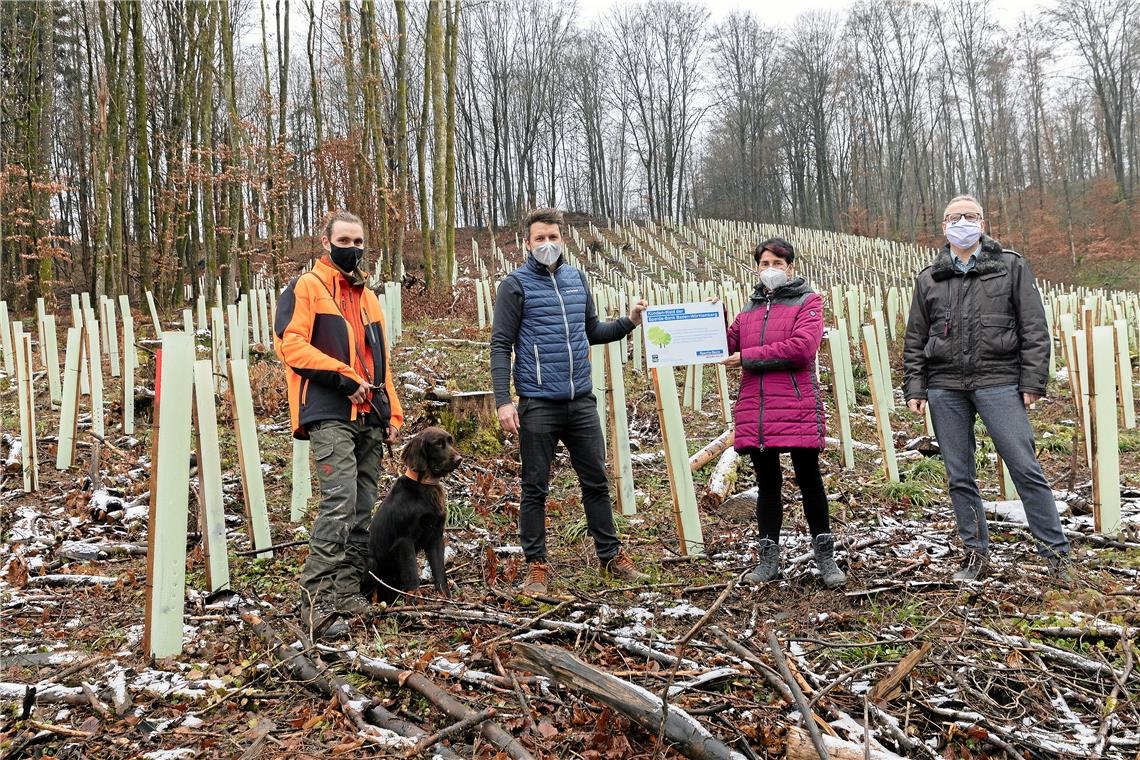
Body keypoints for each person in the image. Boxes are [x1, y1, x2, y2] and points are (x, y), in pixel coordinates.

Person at [903, 194, 1070, 582]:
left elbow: (1033, 327)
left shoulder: (1010, 266)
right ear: (943, 227)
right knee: (959, 475)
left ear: (983, 222)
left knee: (1024, 467)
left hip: (1000, 380)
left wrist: (1032, 380)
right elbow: (915, 337)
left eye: (969, 216)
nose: (961, 222)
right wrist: (915, 386)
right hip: (945, 385)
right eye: (953, 217)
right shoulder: (930, 277)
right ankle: (975, 553)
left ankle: (1056, 555)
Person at [491, 207, 650, 596]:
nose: (547, 244)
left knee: (595, 481)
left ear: (563, 239)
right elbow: (501, 345)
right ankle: (537, 566)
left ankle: (611, 556)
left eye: (553, 237)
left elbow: (592, 330)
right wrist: (503, 401)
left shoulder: (576, 279)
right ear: (526, 243)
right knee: (535, 487)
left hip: (580, 400)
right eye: (539, 238)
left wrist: (628, 322)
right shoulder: (514, 285)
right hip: (537, 404)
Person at [274, 210, 404, 638]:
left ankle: (348, 590)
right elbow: (289, 345)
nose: (352, 248)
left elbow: (379, 362)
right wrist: (340, 376)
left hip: (369, 413)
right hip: (328, 411)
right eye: (344, 241)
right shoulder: (305, 287)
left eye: (358, 241)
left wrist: (391, 410)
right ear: (325, 242)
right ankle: (314, 600)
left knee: (364, 506)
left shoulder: (367, 297)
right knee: (339, 502)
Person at [725, 237, 845, 588]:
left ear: (790, 267)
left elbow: (802, 348)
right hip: (758, 408)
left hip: (796, 405)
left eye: (778, 263)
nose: (771, 269)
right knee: (767, 484)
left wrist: (749, 357)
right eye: (764, 263)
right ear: (756, 267)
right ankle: (768, 559)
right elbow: (725, 344)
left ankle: (825, 557)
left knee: (809, 479)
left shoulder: (809, 301)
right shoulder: (748, 309)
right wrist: (708, 317)